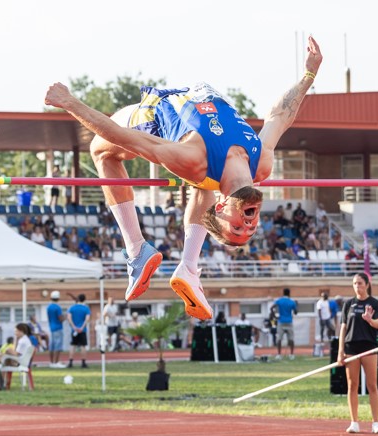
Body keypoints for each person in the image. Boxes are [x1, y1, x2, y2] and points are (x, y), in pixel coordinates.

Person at [44, 36, 323, 321]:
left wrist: (69, 102)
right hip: (200, 99)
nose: (249, 226)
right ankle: (188, 268)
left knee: (102, 152)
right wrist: (309, 75)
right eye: (249, 229)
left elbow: (122, 137)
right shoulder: (261, 163)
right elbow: (279, 115)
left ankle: (137, 249)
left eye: (237, 228)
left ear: (222, 207)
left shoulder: (191, 159)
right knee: (205, 183)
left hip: (157, 112)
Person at [337, 273, 378, 435]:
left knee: (372, 385)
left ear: (367, 284)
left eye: (360, 283)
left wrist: (369, 320)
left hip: (369, 347)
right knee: (352, 385)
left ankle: (376, 423)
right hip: (351, 348)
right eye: (354, 283)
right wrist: (340, 351)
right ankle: (354, 422)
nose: (357, 286)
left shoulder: (374, 303)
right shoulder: (348, 304)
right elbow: (343, 328)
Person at [67, 294, 91, 368]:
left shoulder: (72, 308)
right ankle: (83, 362)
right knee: (83, 346)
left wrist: (74, 327)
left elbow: (69, 318)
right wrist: (82, 327)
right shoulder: (86, 308)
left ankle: (70, 362)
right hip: (82, 330)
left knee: (73, 345)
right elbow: (87, 319)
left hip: (74, 330)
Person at [274, 288, 297, 360]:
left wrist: (274, 315)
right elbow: (296, 312)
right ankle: (292, 354)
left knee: (279, 339)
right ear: (289, 293)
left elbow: (272, 307)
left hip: (281, 321)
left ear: (283, 293)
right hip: (289, 322)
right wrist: (296, 305)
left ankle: (279, 354)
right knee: (291, 339)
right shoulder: (292, 302)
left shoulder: (279, 300)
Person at [46, 291, 66, 367]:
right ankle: (56, 362)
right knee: (58, 346)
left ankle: (51, 362)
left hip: (51, 327)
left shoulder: (49, 307)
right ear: (58, 298)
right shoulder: (57, 307)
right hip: (58, 328)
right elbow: (60, 318)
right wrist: (65, 317)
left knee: (52, 346)